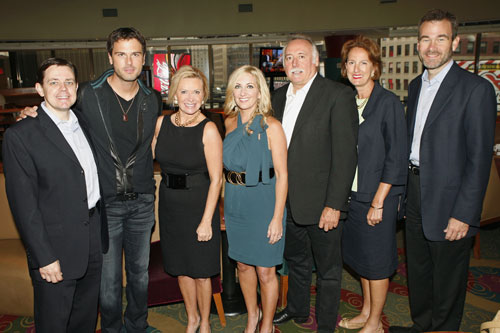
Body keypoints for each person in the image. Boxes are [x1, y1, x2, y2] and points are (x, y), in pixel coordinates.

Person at [21, 28, 162, 333]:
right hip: (105, 206)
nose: (129, 61)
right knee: (107, 281)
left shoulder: (153, 98)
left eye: (135, 54)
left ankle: (137, 326)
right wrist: (31, 112)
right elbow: (56, 115)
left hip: (142, 202)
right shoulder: (86, 93)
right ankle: (111, 329)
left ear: (144, 58)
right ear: (110, 57)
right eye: (121, 54)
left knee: (139, 275)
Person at [389, 9, 497, 333]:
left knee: (448, 276)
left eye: (440, 38)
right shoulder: (414, 86)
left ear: (455, 42)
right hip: (415, 191)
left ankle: (444, 328)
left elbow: (479, 160)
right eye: (425, 38)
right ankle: (423, 325)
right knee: (419, 270)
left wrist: (464, 213)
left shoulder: (475, 89)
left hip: (451, 200)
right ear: (418, 44)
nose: (432, 46)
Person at [3, 58, 107, 332]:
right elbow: (24, 206)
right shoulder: (21, 135)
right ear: (39, 89)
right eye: (54, 82)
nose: (63, 89)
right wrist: (44, 257)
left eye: (69, 82)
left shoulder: (84, 121)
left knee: (84, 321)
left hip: (92, 240)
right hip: (54, 250)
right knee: (54, 324)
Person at [271, 35, 358, 333]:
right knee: (295, 261)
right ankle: (296, 307)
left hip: (324, 204)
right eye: (289, 58)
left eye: (301, 56)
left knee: (328, 271)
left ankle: (325, 326)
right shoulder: (278, 97)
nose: (295, 63)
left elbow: (346, 157)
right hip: (288, 202)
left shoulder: (337, 95)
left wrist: (334, 205)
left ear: (316, 60)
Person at [338, 36, 407, 333]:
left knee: (377, 263)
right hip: (354, 196)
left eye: (363, 63)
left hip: (379, 196)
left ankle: (376, 322)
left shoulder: (388, 102)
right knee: (362, 260)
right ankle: (366, 312)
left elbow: (397, 157)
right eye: (351, 62)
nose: (357, 68)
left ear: (375, 68)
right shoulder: (347, 101)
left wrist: (379, 201)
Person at [151, 66, 222, 333]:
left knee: (202, 272)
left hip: (199, 206)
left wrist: (206, 221)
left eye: (196, 92)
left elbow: (216, 179)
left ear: (203, 96)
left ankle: (204, 322)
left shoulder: (209, 129)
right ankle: (191, 318)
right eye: (184, 91)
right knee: (180, 268)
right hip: (170, 205)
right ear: (175, 94)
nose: (190, 97)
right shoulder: (161, 123)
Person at [223, 65, 288, 333]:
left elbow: (283, 175)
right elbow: (224, 172)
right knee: (243, 266)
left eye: (250, 86)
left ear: (260, 91)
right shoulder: (228, 122)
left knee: (265, 271)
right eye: (238, 86)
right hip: (236, 203)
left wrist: (276, 218)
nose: (243, 92)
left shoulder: (272, 126)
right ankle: (252, 317)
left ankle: (267, 324)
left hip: (264, 204)